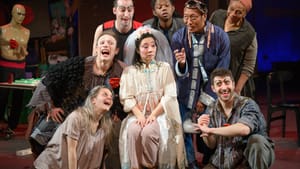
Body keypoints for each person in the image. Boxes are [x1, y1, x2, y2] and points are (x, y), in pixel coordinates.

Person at [28, 30, 126, 167]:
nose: (106, 45)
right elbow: (49, 78)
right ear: (97, 48)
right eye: (102, 42)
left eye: (110, 43)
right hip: (70, 112)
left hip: (100, 119)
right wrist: (51, 107)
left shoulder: (120, 71)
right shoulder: (80, 65)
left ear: (116, 50)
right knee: (46, 133)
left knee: (107, 137)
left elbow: (124, 96)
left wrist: (117, 112)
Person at [171, 0, 231, 168]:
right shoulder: (178, 37)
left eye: (193, 17)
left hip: (211, 92)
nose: (189, 22)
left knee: (208, 128)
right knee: (185, 129)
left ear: (204, 16)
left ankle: (209, 159)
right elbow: (178, 72)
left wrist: (204, 99)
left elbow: (221, 70)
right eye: (185, 17)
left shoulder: (220, 37)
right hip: (185, 91)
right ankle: (190, 162)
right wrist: (181, 64)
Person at [119, 28, 186, 169]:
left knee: (149, 133)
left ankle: (151, 166)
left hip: (160, 114)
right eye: (145, 46)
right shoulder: (129, 71)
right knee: (132, 131)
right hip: (137, 114)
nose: (150, 49)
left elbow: (169, 94)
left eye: (153, 46)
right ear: (137, 50)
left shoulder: (164, 68)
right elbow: (126, 97)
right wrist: (140, 116)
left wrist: (153, 115)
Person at [197, 68, 275, 169]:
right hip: (221, 160)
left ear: (233, 84)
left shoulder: (248, 104)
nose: (224, 87)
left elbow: (244, 129)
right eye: (219, 84)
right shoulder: (211, 108)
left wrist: (211, 130)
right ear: (213, 88)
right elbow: (212, 144)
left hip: (245, 161)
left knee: (257, 141)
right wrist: (204, 130)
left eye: (227, 82)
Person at [33, 85, 114, 169]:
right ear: (93, 100)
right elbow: (71, 151)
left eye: (111, 96)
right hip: (52, 166)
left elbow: (97, 157)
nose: (109, 98)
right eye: (105, 94)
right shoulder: (77, 117)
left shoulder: (104, 127)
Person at [209, 0, 257, 99]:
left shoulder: (249, 33)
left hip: (232, 81)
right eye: (231, 9)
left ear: (245, 14)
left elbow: (249, 66)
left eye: (239, 12)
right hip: (212, 77)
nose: (233, 14)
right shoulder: (217, 16)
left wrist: (237, 89)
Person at [0, 4, 30, 139]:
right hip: (5, 65)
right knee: (2, 96)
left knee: (18, 97)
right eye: (18, 13)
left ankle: (12, 126)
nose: (21, 17)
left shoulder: (26, 32)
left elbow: (24, 51)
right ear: (12, 13)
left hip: (20, 66)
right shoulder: (2, 30)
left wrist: (20, 49)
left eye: (23, 14)